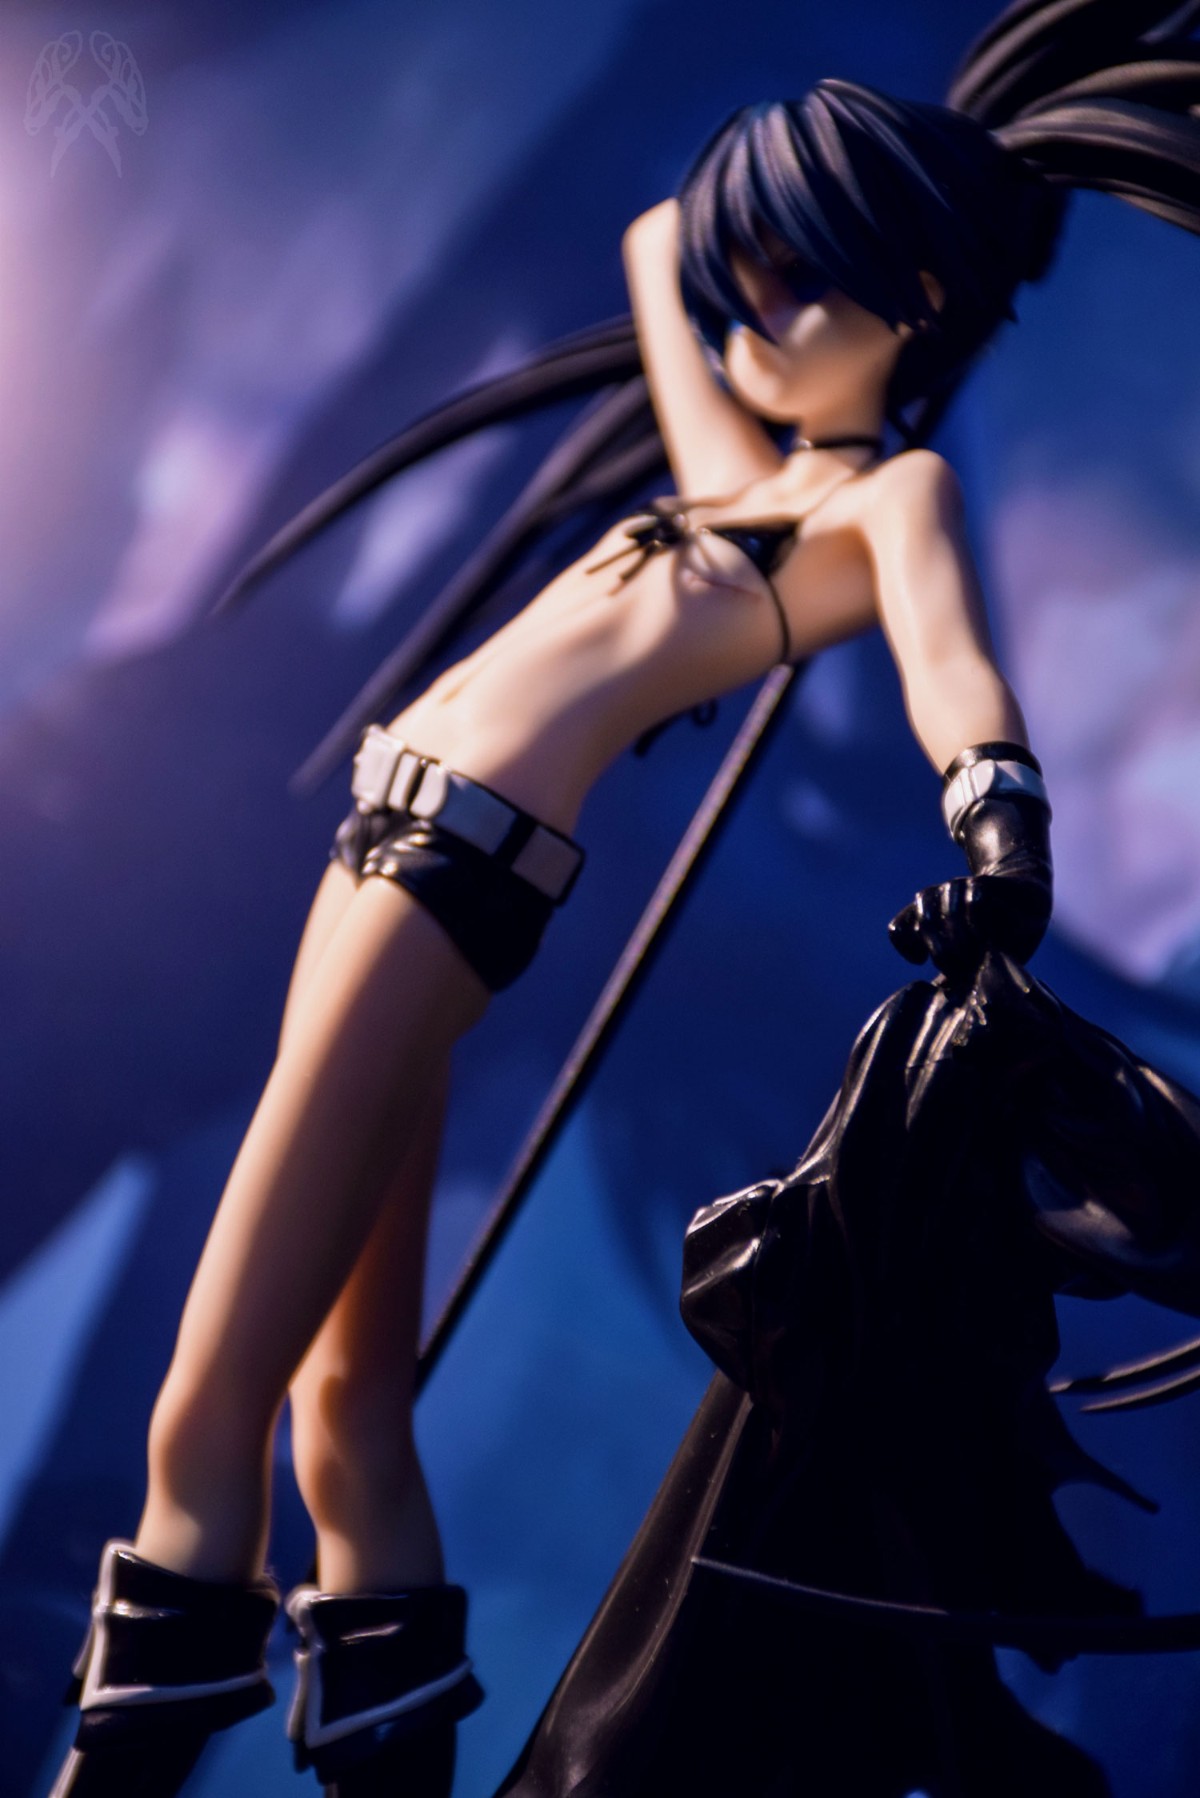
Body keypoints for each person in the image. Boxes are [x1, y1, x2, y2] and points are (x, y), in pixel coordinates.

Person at [50, 2, 1200, 1794]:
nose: (753, 322)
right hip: (374, 854)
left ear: (915, 295)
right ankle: (390, 1740)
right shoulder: (739, 485)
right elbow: (662, 249)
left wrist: (1001, 824)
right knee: (344, 1412)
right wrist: (744, 221)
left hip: (454, 875)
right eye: (749, 288)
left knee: (206, 1407)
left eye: (799, 288)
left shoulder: (883, 504)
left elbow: (954, 668)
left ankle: (130, 1722)